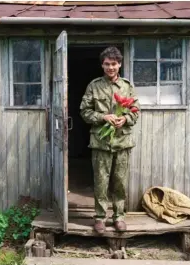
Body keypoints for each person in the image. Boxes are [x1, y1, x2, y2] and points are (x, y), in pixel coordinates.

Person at [79, 46, 140, 234]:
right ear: (102, 65)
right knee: (101, 182)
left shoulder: (127, 87)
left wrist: (125, 119)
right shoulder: (94, 85)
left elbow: (135, 113)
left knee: (120, 181)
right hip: (100, 142)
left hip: (122, 142)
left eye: (114, 64)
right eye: (107, 64)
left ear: (119, 64)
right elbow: (84, 111)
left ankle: (119, 217)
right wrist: (103, 117)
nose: (110, 67)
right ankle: (99, 218)